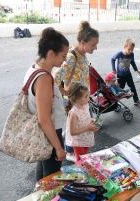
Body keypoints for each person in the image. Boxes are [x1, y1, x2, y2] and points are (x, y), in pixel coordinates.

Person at [22, 27, 68, 181]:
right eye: (63, 55)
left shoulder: (34, 69)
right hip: (49, 133)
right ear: (50, 54)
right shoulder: (43, 79)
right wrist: (58, 147)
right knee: (51, 179)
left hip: (44, 133)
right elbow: (44, 118)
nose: (64, 60)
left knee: (43, 173)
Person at [53, 21, 99, 162]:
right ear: (83, 42)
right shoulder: (72, 57)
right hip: (75, 99)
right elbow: (55, 77)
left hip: (82, 98)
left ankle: (71, 146)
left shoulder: (82, 54)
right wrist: (63, 91)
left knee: (77, 125)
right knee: (75, 127)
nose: (95, 48)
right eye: (93, 44)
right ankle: (70, 152)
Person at [64, 83, 100, 163]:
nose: (88, 98)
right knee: (80, 160)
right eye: (86, 96)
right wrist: (88, 128)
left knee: (84, 157)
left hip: (85, 137)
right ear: (76, 99)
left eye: (88, 95)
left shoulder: (86, 105)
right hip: (78, 140)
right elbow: (72, 132)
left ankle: (84, 169)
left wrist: (91, 120)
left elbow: (84, 118)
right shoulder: (73, 113)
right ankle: (81, 172)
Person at [111, 38, 140, 105]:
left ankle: (136, 100)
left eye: (132, 50)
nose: (130, 51)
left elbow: (132, 62)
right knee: (120, 89)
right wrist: (113, 69)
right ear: (125, 47)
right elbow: (112, 59)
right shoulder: (120, 54)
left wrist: (136, 70)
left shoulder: (131, 54)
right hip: (120, 76)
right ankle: (115, 103)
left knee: (132, 87)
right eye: (129, 49)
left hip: (128, 74)